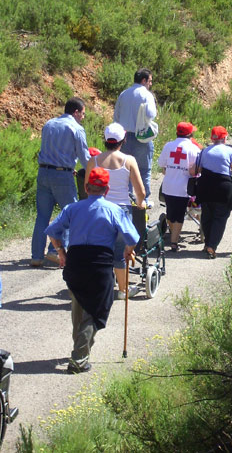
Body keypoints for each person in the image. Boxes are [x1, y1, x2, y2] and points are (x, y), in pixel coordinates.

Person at [45, 167, 139, 374]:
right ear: (106, 190)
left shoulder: (72, 208)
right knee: (96, 311)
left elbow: (53, 231)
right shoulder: (114, 210)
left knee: (79, 305)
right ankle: (78, 358)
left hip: (75, 262)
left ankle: (80, 348)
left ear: (86, 188)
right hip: (100, 263)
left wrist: (61, 252)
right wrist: (127, 252)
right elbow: (132, 238)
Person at [84, 122, 146, 299]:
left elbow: (86, 186)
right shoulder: (129, 160)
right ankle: (123, 290)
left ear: (105, 140)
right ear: (123, 140)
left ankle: (99, 286)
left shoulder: (94, 161)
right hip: (121, 209)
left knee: (100, 249)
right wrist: (140, 203)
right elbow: (140, 191)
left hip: (98, 209)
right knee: (120, 251)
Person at [31, 97, 90, 267]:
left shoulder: (49, 124)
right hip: (62, 176)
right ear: (76, 112)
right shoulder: (76, 128)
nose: (83, 117)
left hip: (43, 173)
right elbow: (84, 158)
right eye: (83, 114)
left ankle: (36, 256)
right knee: (70, 213)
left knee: (42, 216)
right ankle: (53, 251)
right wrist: (94, 171)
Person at [191, 126, 232, 258]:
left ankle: (207, 243)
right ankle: (211, 246)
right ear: (225, 138)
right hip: (222, 187)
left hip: (205, 187)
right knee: (220, 217)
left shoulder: (204, 151)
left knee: (207, 215)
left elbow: (198, 169)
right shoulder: (229, 151)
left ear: (211, 138)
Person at [114, 68, 157, 208]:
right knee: (144, 169)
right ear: (144, 80)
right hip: (141, 136)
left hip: (124, 136)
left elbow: (116, 116)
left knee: (125, 168)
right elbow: (151, 114)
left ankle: (127, 198)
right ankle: (142, 200)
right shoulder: (146, 95)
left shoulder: (124, 94)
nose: (150, 84)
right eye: (149, 81)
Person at [157, 122, 201, 251]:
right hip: (183, 187)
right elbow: (196, 170)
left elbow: (161, 164)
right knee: (179, 215)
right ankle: (174, 242)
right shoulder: (194, 149)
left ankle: (173, 237)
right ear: (190, 134)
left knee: (171, 213)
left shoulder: (168, 146)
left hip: (168, 186)